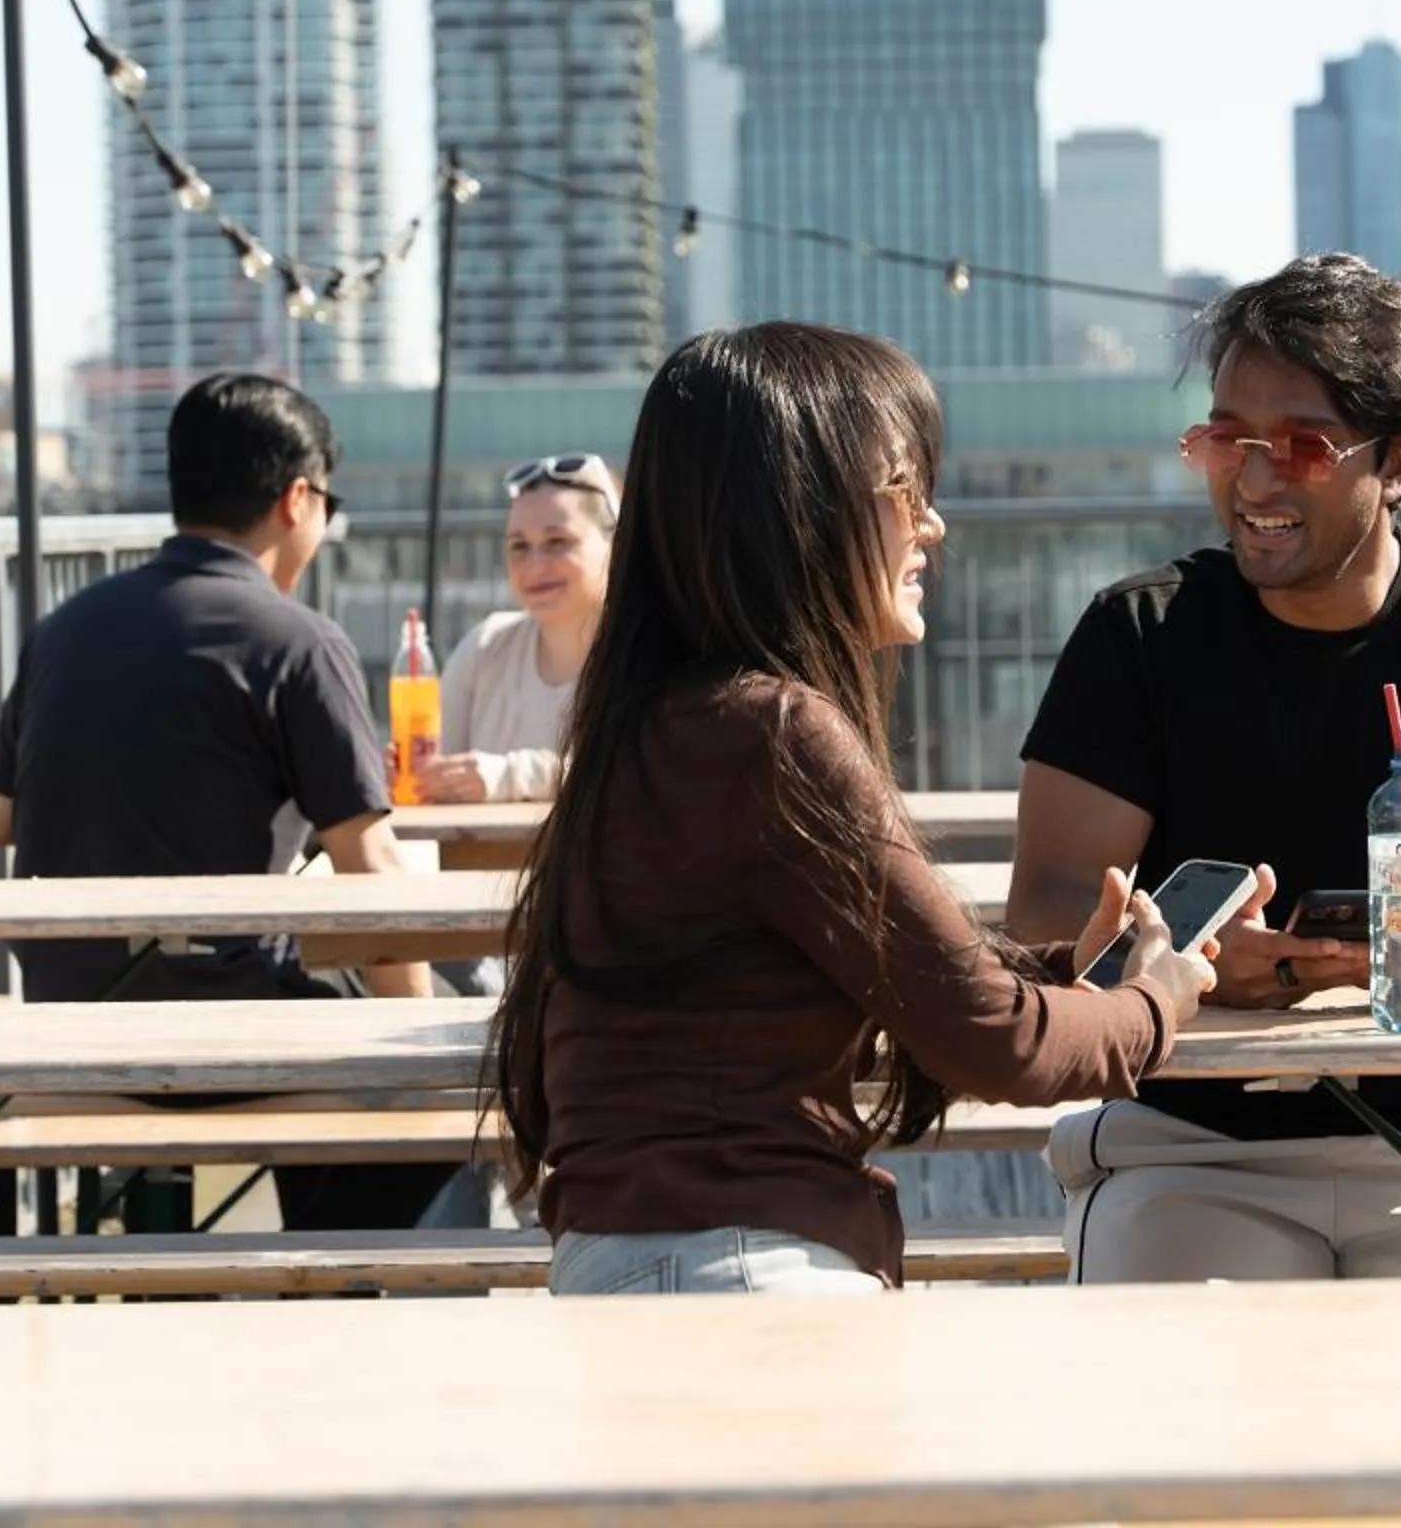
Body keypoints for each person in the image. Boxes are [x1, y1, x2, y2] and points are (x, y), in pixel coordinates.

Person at [490, 323, 1215, 1296]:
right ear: (797, 511)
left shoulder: (662, 720)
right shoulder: (772, 732)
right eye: (905, 490)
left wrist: (1062, 968)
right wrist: (1155, 1003)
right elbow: (999, 1042)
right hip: (737, 1273)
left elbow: (879, 970)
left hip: (644, 1261)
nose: (934, 525)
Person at [1007, 253, 1401, 1282]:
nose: (1251, 482)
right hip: (1193, 1141)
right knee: (1175, 1402)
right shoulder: (1139, 634)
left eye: (1300, 446)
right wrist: (1189, 963)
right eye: (1226, 439)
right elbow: (1045, 907)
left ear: (1400, 461)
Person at [0, 373, 451, 1234]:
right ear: (297, 498)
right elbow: (370, 873)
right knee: (454, 1098)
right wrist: (425, 1033)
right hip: (219, 1029)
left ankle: (206, 1283)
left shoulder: (66, 627)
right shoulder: (297, 642)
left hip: (67, 1019)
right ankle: (320, 1293)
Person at [411, 453, 619, 805]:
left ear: (617, 546)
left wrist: (508, 777)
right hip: (479, 861)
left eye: (558, 543)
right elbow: (432, 771)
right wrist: (412, 774)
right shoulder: (485, 646)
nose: (535, 566)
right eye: (519, 547)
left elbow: (644, 774)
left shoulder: (649, 653)